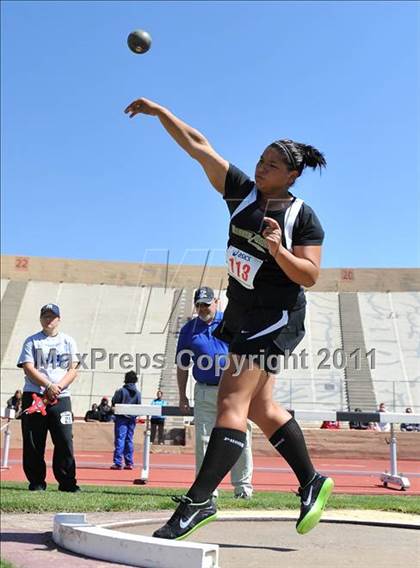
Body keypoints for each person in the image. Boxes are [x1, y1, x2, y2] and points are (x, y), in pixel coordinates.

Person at [124, 97, 334, 540]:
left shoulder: (302, 216)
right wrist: (161, 113)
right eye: (261, 159)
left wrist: (278, 249)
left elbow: (311, 275)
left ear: (292, 175)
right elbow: (200, 146)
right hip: (241, 312)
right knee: (261, 407)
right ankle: (312, 482)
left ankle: (198, 502)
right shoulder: (242, 194)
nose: (261, 168)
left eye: (273, 165)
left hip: (276, 316)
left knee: (230, 403)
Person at [177, 286, 254, 499]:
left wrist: (248, 387)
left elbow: (249, 354)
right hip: (204, 391)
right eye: (199, 305)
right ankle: (206, 489)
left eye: (206, 304)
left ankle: (243, 487)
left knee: (241, 436)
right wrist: (182, 396)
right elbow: (182, 366)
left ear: (216, 302)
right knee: (204, 440)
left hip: (233, 390)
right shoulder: (188, 330)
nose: (203, 308)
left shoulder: (232, 321)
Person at [17, 303, 80, 491]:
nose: (48, 319)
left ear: (58, 319)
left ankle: (67, 482)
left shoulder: (68, 341)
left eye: (52, 316)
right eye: (45, 316)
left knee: (64, 440)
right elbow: (28, 367)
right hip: (35, 396)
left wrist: (58, 387)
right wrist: (48, 385)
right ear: (40, 318)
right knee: (34, 440)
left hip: (61, 397)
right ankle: (36, 482)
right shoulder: (32, 341)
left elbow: (73, 369)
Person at [110, 371, 142, 470]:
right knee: (129, 440)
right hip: (132, 418)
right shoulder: (137, 393)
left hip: (121, 418)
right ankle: (129, 462)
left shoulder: (121, 391)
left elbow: (114, 402)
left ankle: (118, 462)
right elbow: (138, 404)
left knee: (120, 439)